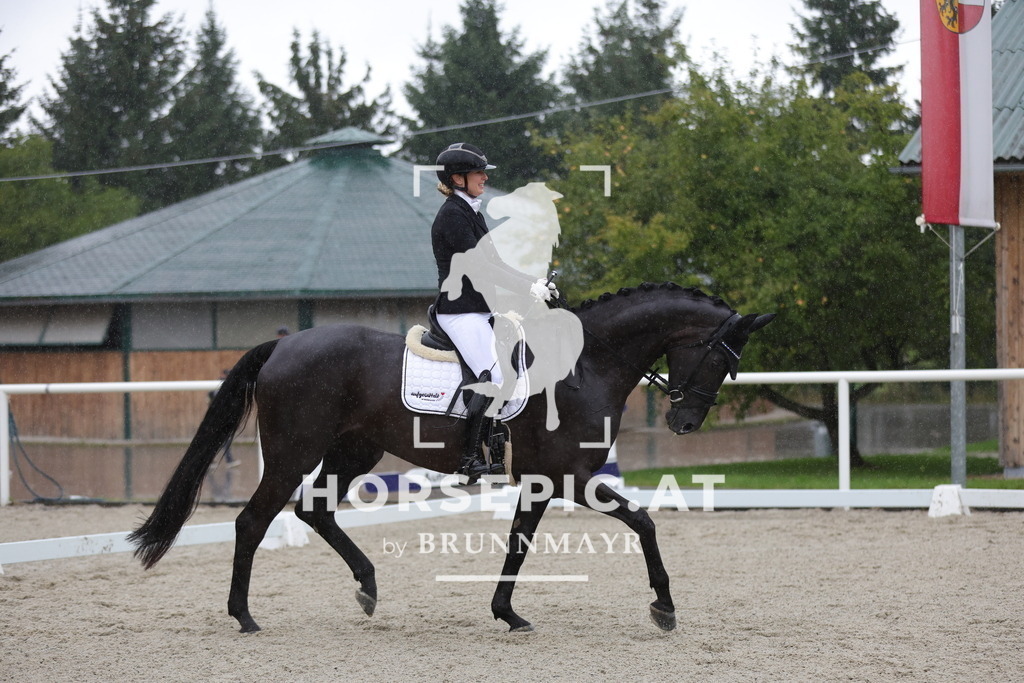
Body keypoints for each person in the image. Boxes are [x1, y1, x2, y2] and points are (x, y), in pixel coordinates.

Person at [430, 142, 557, 480]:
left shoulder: (472, 212)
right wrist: (527, 288)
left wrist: (535, 282)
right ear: (458, 178)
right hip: (459, 312)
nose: (484, 178)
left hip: (479, 310)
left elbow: (496, 263)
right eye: (478, 173)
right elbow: (480, 269)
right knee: (494, 378)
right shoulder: (452, 217)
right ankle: (468, 458)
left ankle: (496, 446)